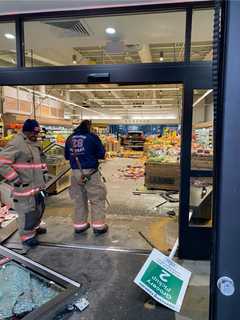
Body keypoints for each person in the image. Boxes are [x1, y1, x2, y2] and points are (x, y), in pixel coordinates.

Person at [0, 119, 48, 247]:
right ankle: (27, 236)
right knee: (27, 212)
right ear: (26, 131)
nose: (36, 135)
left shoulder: (34, 143)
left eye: (37, 133)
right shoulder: (17, 143)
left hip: (37, 185)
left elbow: (40, 161)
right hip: (24, 187)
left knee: (38, 208)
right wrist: (15, 178)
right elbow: (2, 163)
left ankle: (35, 227)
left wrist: (44, 174)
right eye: (33, 133)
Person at [65, 120, 108, 235]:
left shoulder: (70, 138)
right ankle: (98, 226)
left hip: (75, 172)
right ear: (88, 126)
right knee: (97, 198)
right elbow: (101, 154)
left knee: (79, 199)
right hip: (91, 173)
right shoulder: (92, 137)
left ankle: (80, 225)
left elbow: (66, 156)